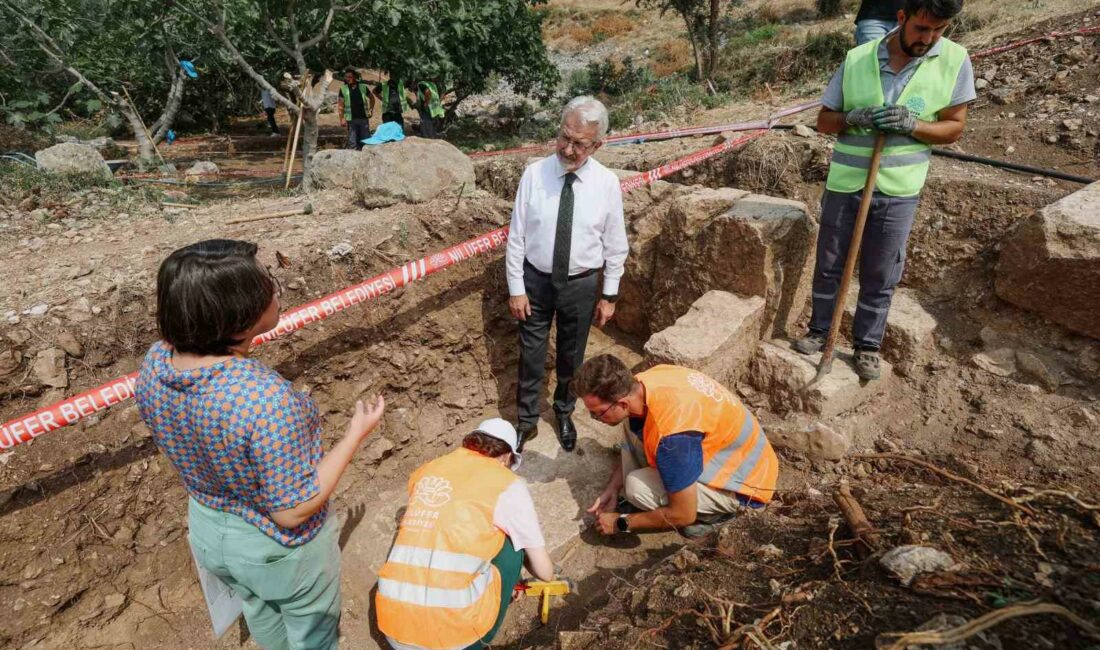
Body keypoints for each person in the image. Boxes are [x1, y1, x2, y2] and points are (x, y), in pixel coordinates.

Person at [135, 239, 386, 650]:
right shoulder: (264, 400)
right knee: (312, 636)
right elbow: (291, 509)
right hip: (277, 549)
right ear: (238, 316)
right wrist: (355, 433)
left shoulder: (155, 362)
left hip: (208, 526)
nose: (275, 291)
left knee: (261, 613)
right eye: (268, 285)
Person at [793, 0, 975, 380]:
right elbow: (824, 120)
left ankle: (867, 345)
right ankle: (819, 331)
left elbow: (954, 127)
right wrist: (851, 118)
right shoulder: (858, 58)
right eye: (921, 29)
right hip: (846, 183)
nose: (929, 38)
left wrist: (915, 125)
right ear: (902, 18)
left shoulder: (955, 60)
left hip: (898, 189)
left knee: (881, 271)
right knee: (829, 264)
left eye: (938, 30)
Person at [505, 95, 628, 453]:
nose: (568, 149)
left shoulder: (606, 184)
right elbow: (517, 236)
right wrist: (516, 288)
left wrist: (609, 295)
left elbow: (615, 244)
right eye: (564, 137)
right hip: (536, 281)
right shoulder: (534, 174)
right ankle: (526, 421)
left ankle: (563, 411)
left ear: (598, 144)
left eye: (579, 143)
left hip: (581, 284)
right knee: (531, 354)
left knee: (571, 356)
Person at [376, 418, 556, 650]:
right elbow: (545, 572)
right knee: (512, 545)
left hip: (394, 625)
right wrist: (514, 576)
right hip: (451, 637)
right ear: (505, 457)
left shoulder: (429, 469)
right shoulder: (506, 482)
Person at [576, 355, 778, 538]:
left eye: (598, 412)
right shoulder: (643, 382)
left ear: (622, 403)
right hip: (743, 455)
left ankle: (719, 516)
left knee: (636, 487)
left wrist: (621, 522)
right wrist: (613, 487)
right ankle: (668, 488)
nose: (595, 418)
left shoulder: (672, 438)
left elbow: (683, 514)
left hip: (747, 488)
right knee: (631, 425)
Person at [338, 69, 375, 150]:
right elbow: (340, 105)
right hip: (351, 120)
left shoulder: (363, 87)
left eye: (350, 77)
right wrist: (342, 119)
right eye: (346, 77)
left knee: (366, 141)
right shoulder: (343, 89)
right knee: (352, 142)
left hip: (363, 119)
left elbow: (372, 98)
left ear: (354, 77)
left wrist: (371, 109)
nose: (348, 79)